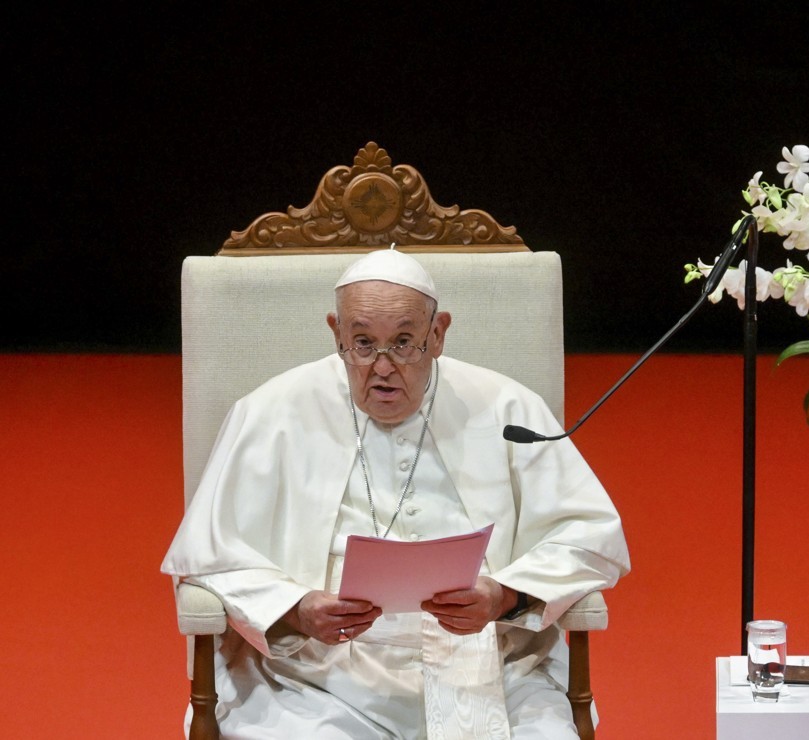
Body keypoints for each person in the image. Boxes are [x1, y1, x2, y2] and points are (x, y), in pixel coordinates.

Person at [161, 248, 630, 739]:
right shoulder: (270, 413)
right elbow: (209, 557)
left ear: (438, 333)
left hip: (492, 664)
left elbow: (589, 535)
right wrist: (296, 610)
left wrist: (505, 595)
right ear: (336, 333)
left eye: (404, 343)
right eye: (363, 343)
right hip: (315, 676)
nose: (381, 367)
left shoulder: (506, 407)